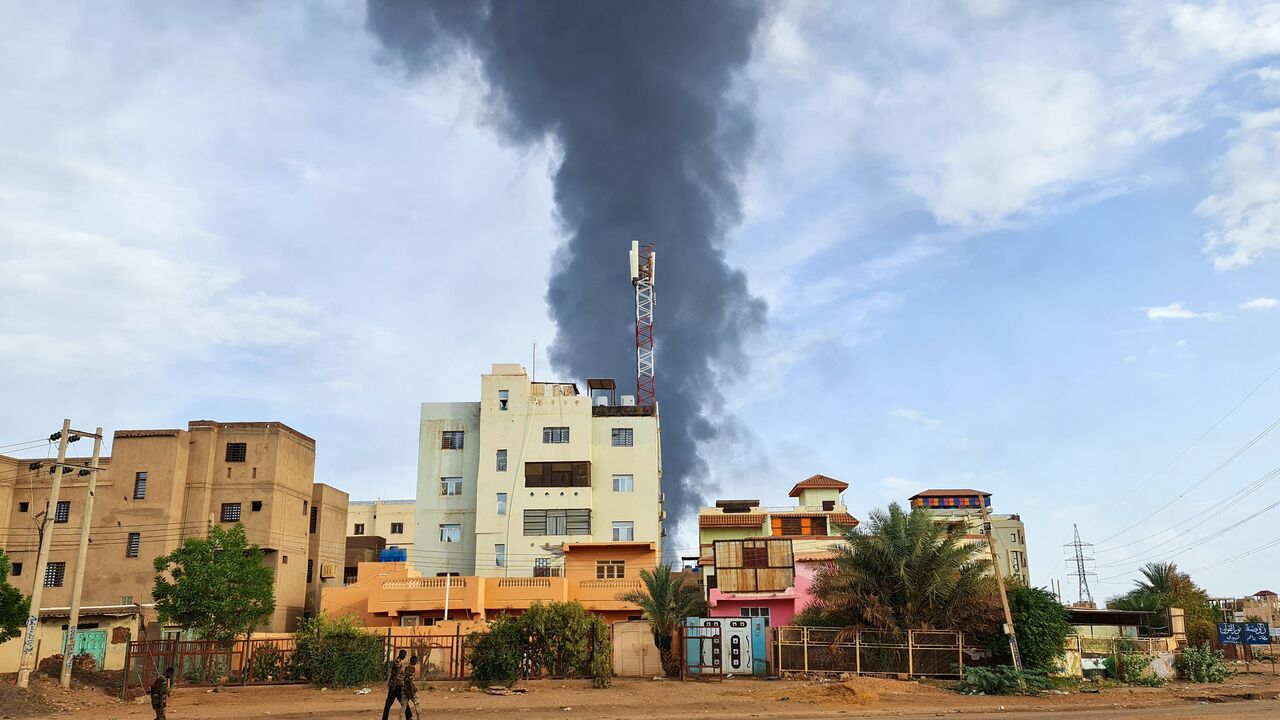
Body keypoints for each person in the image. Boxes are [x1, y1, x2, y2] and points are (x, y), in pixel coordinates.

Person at [381, 650, 408, 720]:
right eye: (404, 655)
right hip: (396, 686)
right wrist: (393, 685)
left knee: (400, 702)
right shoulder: (398, 661)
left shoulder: (397, 661)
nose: (404, 657)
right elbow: (396, 674)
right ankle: (409, 717)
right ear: (401, 654)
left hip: (396, 685)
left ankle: (409, 717)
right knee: (402, 702)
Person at [401, 655, 420, 720]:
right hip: (411, 690)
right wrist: (412, 690)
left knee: (403, 709)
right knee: (417, 707)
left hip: (405, 690)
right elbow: (409, 680)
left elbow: (404, 679)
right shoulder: (412, 669)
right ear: (414, 661)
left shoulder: (406, 668)